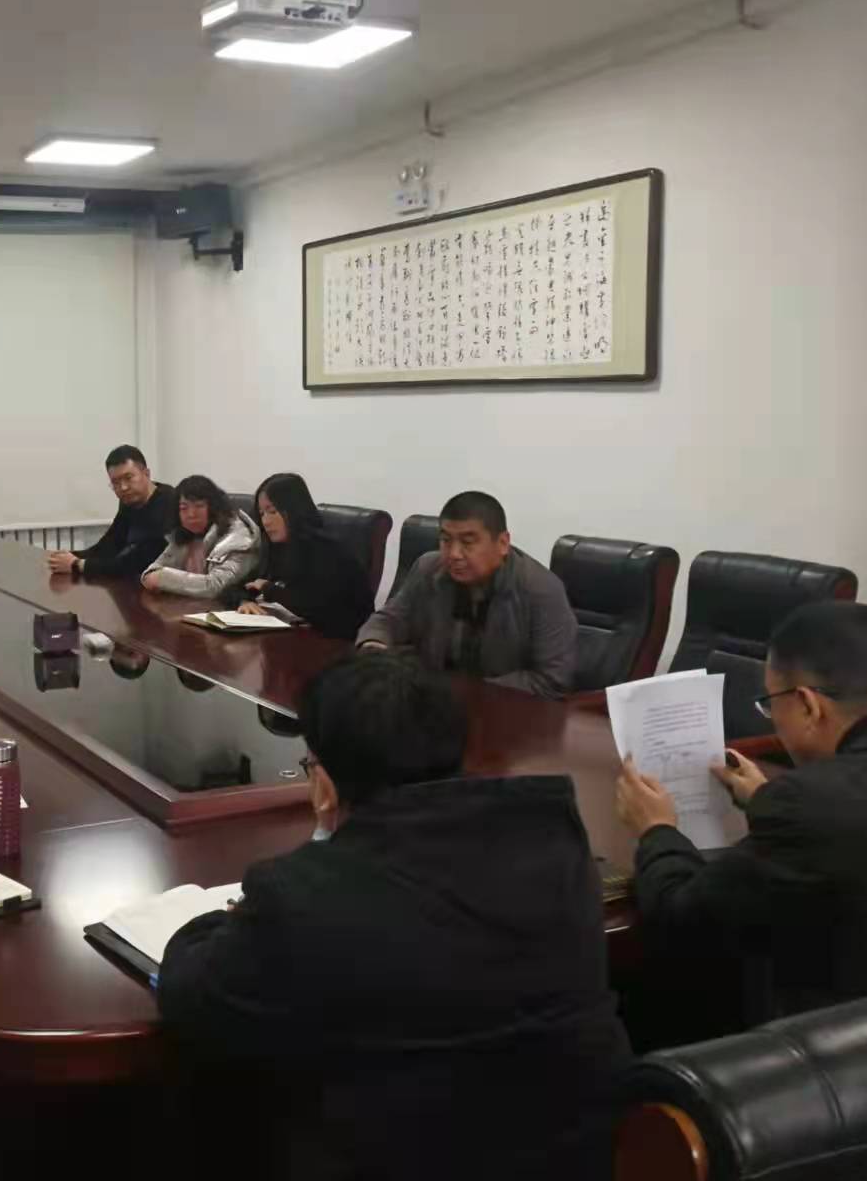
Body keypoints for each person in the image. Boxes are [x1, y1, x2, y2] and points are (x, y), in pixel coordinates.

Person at [157, 653, 628, 1180]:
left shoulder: (303, 896)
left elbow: (191, 995)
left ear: (325, 784)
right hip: (583, 1158)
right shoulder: (554, 840)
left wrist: (230, 918)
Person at [615, 600, 867, 1018]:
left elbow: (683, 920)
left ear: (807, 704)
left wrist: (656, 830)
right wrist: (765, 798)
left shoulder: (809, 804)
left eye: (770, 703)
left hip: (864, 1038)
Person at [357, 490, 576, 697]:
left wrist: (463, 690)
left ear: (502, 543)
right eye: (446, 540)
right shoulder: (429, 568)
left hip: (504, 708)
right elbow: (389, 620)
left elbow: (552, 680)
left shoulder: (541, 590)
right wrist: (374, 647)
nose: (454, 554)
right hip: (432, 702)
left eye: (467, 542)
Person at [230, 472, 374, 638]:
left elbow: (320, 608)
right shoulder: (276, 548)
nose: (266, 521)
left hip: (337, 641)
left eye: (273, 511)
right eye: (262, 514)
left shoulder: (328, 551)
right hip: (292, 637)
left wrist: (269, 589)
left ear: (295, 510)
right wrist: (245, 601)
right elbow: (238, 585)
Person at [46, 444, 176, 577]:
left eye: (128, 478)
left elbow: (138, 563)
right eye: (115, 482)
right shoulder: (129, 500)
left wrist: (77, 564)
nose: (123, 487)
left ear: (146, 473)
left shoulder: (169, 503)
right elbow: (110, 545)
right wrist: (68, 557)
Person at [140, 474, 261, 599]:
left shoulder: (238, 536)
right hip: (191, 606)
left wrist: (164, 579)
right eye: (184, 508)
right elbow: (151, 573)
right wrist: (156, 577)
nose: (191, 514)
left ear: (214, 507)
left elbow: (216, 586)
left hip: (230, 608)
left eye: (199, 506)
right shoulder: (185, 535)